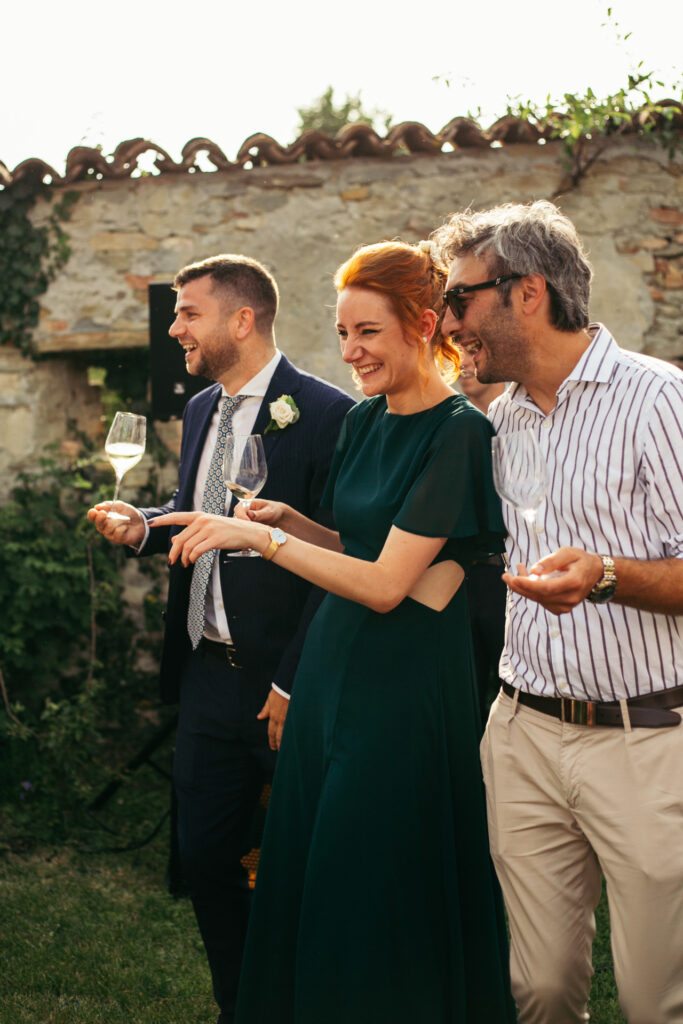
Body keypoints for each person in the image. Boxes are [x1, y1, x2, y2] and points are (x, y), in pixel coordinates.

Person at [152, 240, 516, 1024]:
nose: (349, 352)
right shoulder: (363, 423)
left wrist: (261, 540)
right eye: (343, 333)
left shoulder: (459, 434)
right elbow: (363, 552)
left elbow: (389, 587)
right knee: (318, 879)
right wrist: (295, 523)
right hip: (332, 682)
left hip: (403, 693)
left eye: (368, 333)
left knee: (376, 884)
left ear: (424, 326)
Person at [433, 199, 683, 1024]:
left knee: (657, 999)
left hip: (644, 741)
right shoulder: (498, 421)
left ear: (526, 292)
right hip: (521, 733)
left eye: (460, 300)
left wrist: (605, 575)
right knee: (536, 991)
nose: (448, 321)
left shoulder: (657, 400)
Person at [88, 253, 353, 1024]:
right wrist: (141, 527)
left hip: (284, 680)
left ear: (243, 319)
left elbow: (338, 559)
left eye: (187, 313)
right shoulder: (202, 409)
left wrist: (292, 683)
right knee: (204, 857)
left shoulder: (329, 414)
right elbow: (191, 513)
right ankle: (240, 1006)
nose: (173, 329)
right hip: (206, 675)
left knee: (294, 863)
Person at [454, 341, 507, 726]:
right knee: (463, 700)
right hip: (458, 579)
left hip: (505, 578)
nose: (463, 363)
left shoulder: (518, 422)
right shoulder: (452, 422)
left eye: (473, 351)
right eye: (456, 352)